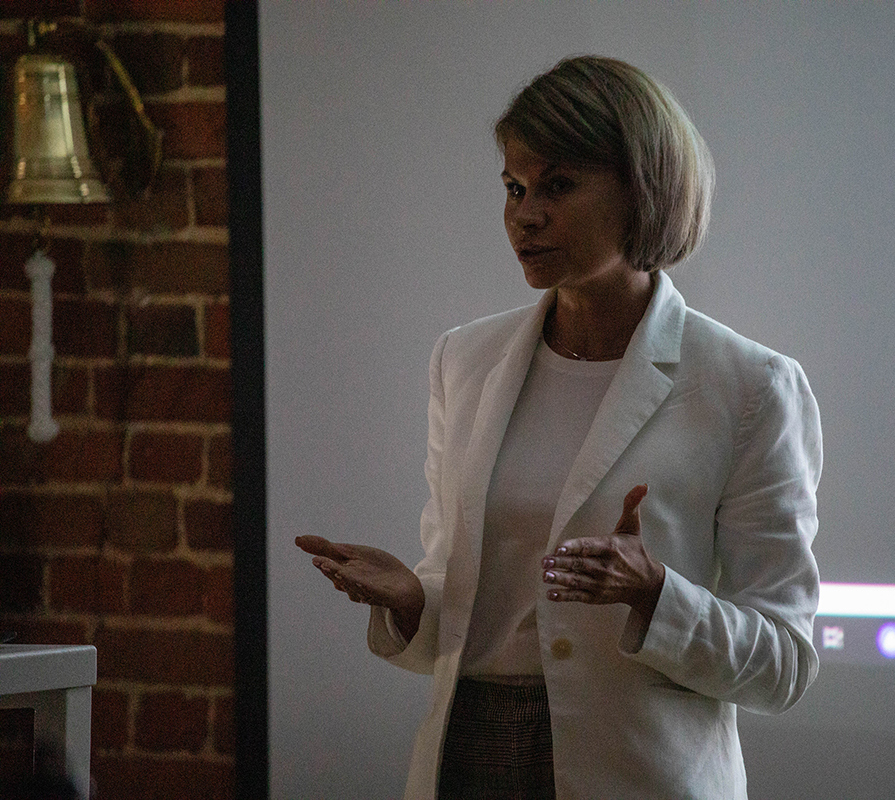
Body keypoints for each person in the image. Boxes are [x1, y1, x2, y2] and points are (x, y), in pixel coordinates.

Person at [296, 55, 821, 800]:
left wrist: (656, 593)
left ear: (644, 189)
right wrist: (412, 600)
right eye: (514, 188)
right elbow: (465, 612)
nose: (526, 215)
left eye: (559, 185)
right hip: (466, 757)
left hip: (638, 776)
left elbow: (784, 666)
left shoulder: (750, 386)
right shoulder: (463, 360)